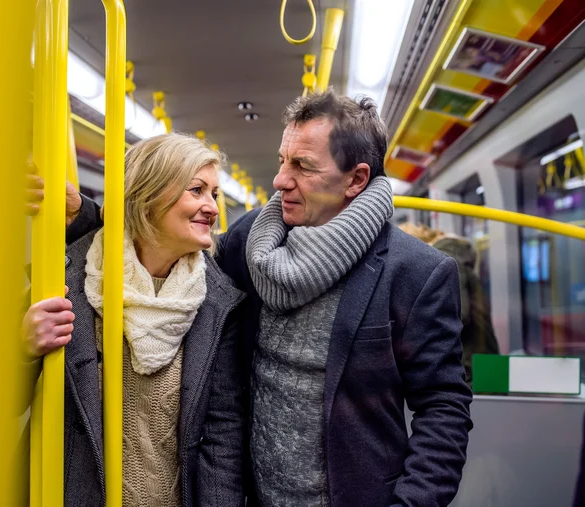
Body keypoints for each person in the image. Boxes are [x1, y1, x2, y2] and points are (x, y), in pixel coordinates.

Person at [55, 91, 473, 507]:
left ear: (356, 179)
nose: (280, 180)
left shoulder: (416, 272)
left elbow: (443, 407)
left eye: (303, 166)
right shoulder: (253, 240)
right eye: (282, 160)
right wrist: (89, 216)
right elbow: (164, 239)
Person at [22, 133, 246, 506]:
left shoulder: (218, 305)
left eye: (215, 194)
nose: (211, 207)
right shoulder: (61, 280)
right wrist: (23, 350)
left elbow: (223, 435)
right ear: (148, 195)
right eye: (197, 190)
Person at [399, 223, 500, 385]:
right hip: (476, 367)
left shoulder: (443, 259)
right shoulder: (449, 258)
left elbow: (456, 314)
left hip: (471, 373)